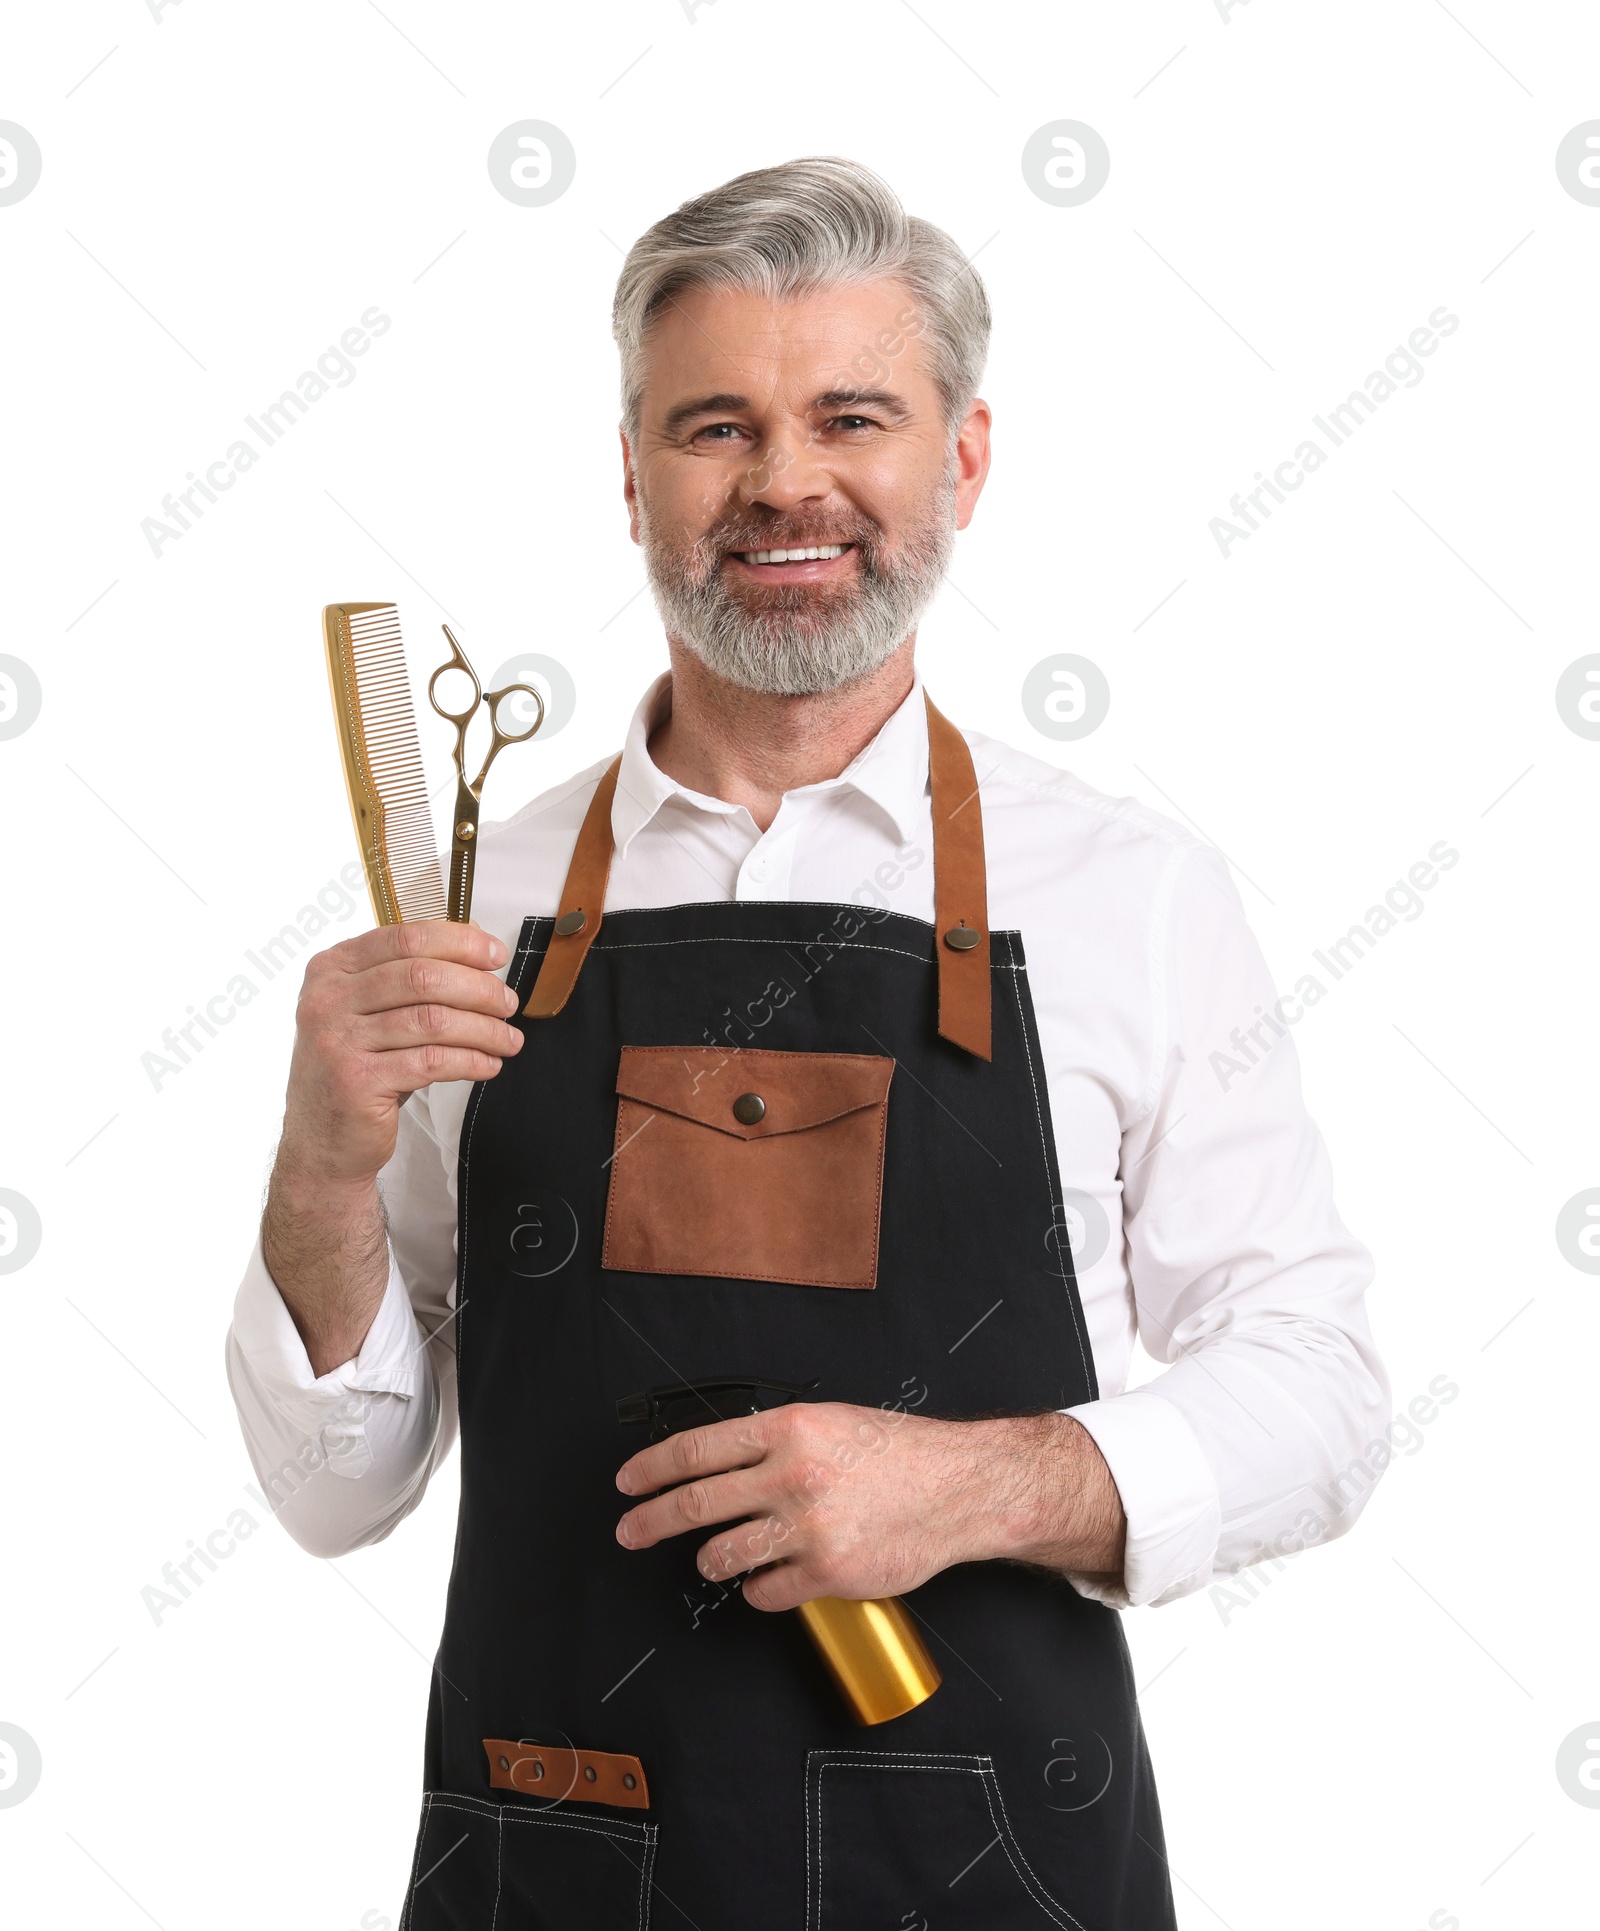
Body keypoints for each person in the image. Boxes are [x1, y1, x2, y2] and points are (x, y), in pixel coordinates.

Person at [226, 156, 1389, 1927]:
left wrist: (977, 1481)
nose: (786, 485)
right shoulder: (483, 897)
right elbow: (340, 1495)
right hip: (555, 1852)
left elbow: (1319, 1391)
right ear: (632, 475)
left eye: (853, 415)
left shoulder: (1132, 894)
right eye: (714, 427)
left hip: (994, 1858)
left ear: (963, 460)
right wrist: (319, 1159)